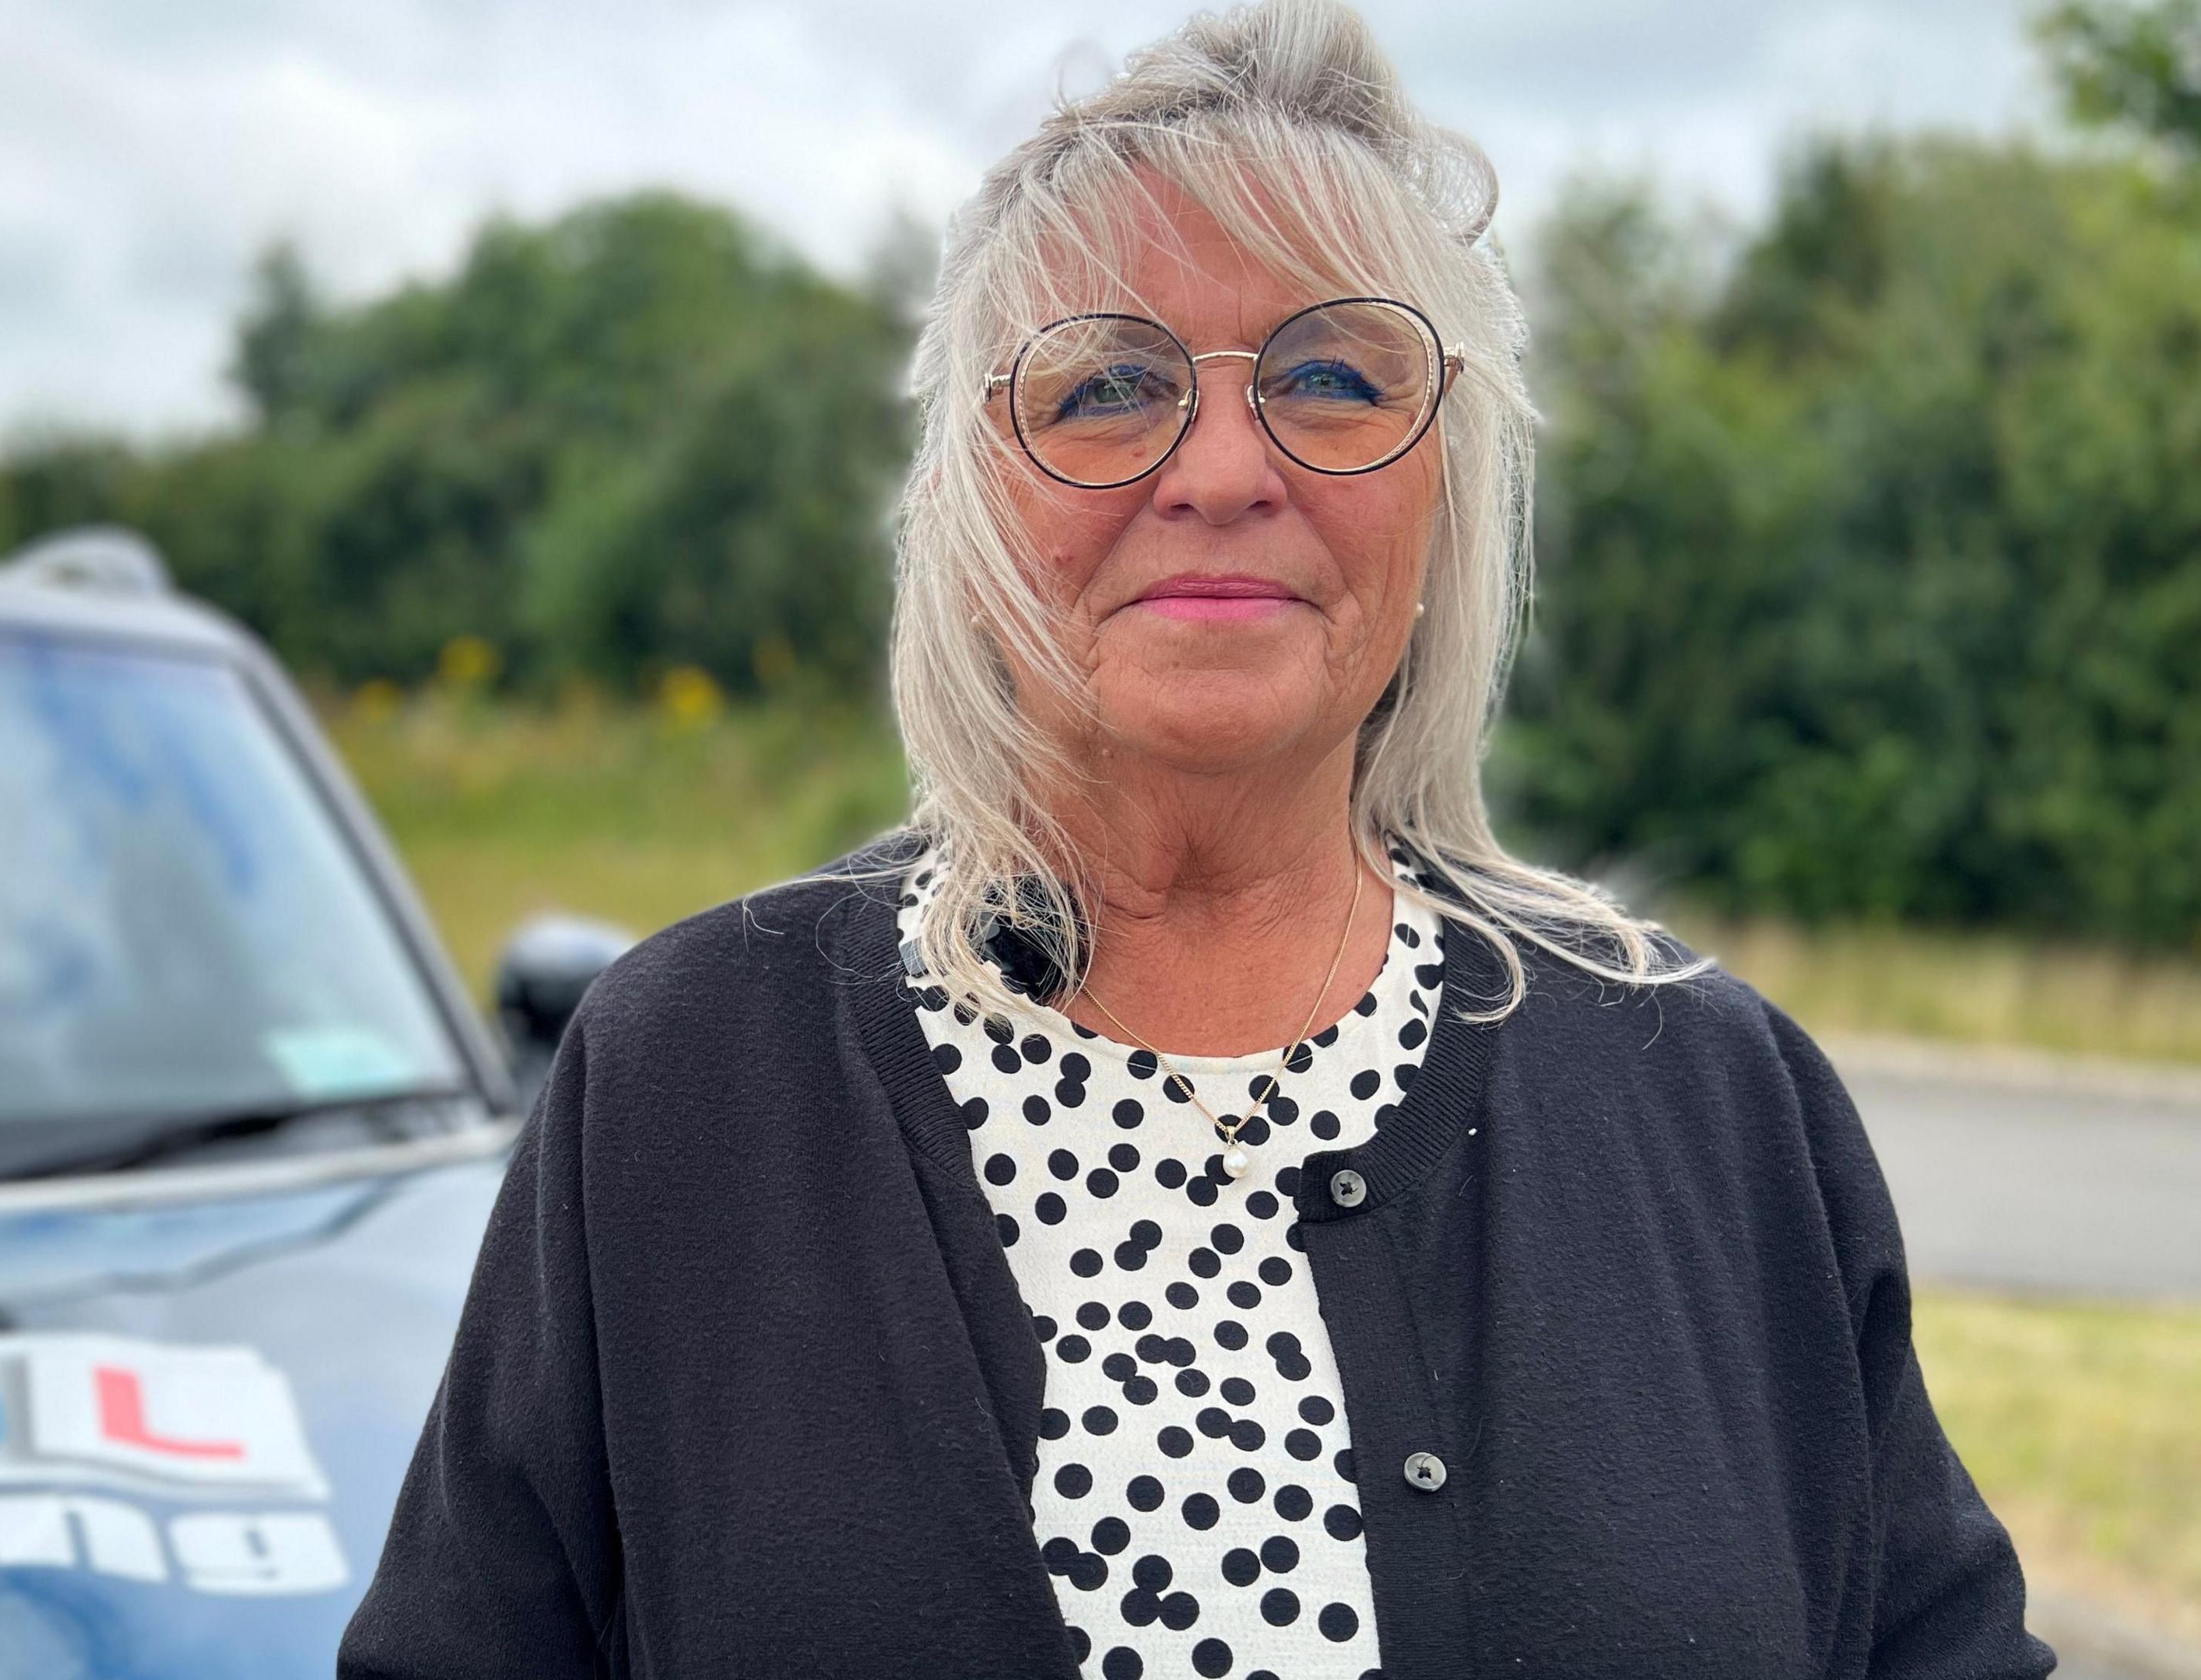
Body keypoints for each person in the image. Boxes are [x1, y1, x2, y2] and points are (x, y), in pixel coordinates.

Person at [336, 2, 2056, 1675]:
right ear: (966, 510)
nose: (1224, 468)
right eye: (1104, 388)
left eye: (1330, 374)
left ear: (1447, 489)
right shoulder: (693, 1082)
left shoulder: (1713, 1097)